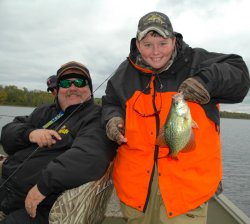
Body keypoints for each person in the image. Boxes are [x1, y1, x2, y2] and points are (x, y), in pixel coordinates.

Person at [102, 11, 250, 224]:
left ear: (174, 40)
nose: (155, 52)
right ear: (137, 44)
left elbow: (240, 75)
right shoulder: (124, 73)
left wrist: (205, 81)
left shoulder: (198, 61)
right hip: (134, 191)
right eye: (147, 44)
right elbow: (110, 103)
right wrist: (112, 120)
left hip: (185, 193)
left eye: (162, 43)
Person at [0, 61, 116, 224]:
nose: (73, 87)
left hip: (41, 204)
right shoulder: (44, 112)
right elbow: (7, 134)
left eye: (80, 82)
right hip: (7, 187)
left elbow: (90, 156)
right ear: (58, 89)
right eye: (66, 82)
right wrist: (29, 134)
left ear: (89, 88)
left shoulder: (96, 117)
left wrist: (44, 186)